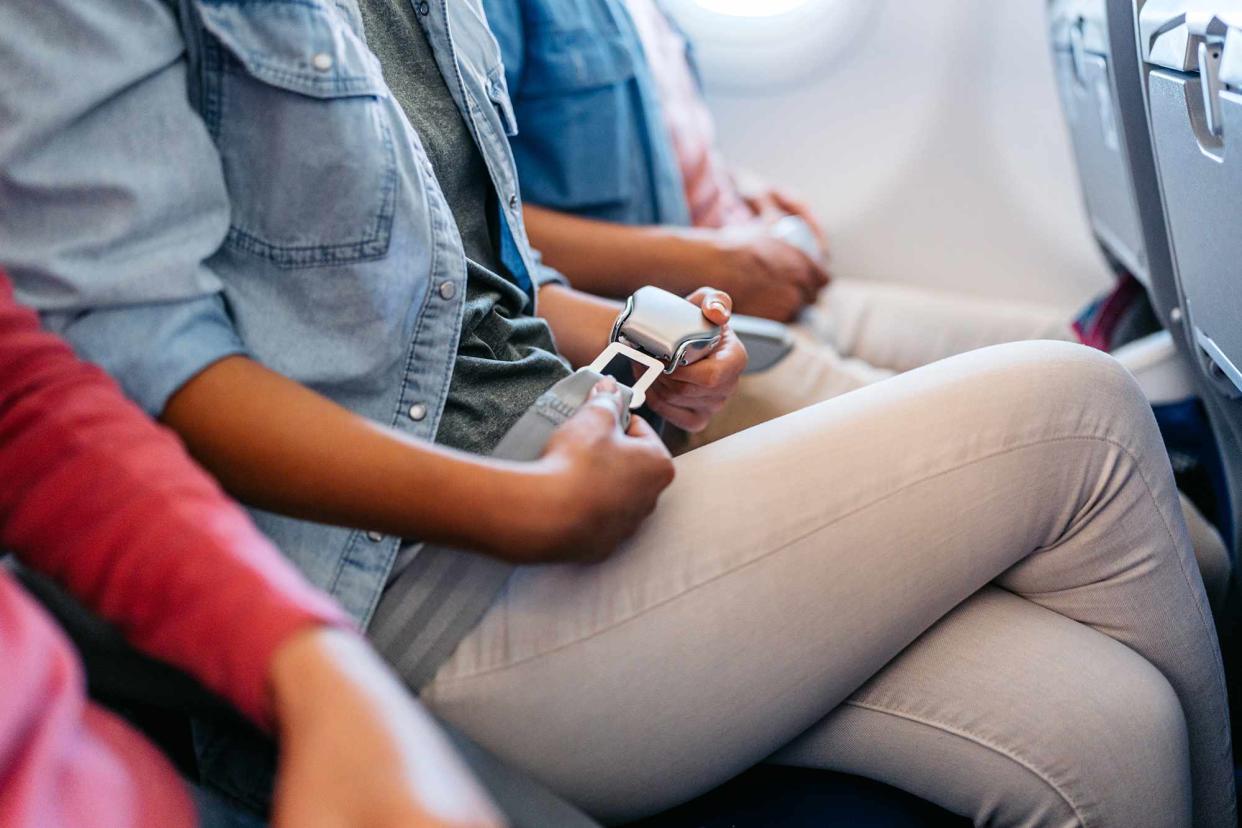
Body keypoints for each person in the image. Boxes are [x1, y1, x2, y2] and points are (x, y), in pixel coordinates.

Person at [0, 2, 1234, 827]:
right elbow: (128, 360)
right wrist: (529, 508)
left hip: (545, 445)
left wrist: (653, 338)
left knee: (1105, 726)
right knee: (1077, 407)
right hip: (400, 573)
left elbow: (477, 285)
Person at [480, 0, 1232, 605]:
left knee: (1070, 349)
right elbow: (494, 222)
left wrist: (743, 191)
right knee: (1192, 549)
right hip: (690, 329)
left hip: (753, 282)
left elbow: (656, 146)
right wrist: (714, 260)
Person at [0, 273, 501, 828]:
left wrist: (316, 666)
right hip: (380, 583)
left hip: (95, 764)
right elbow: (142, 346)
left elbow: (28, 414)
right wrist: (525, 506)